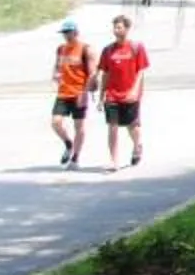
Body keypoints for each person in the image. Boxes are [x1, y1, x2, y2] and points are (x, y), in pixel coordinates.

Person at [91, 13, 154, 170]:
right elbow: (105, 73)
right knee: (112, 126)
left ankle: (138, 145)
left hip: (130, 94)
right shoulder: (108, 50)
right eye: (114, 27)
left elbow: (140, 71)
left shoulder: (136, 48)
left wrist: (134, 90)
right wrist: (101, 97)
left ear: (127, 29)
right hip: (112, 94)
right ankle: (114, 160)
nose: (116, 30)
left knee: (132, 126)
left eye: (119, 27)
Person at [48, 19, 92, 168]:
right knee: (56, 122)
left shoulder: (85, 49)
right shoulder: (61, 49)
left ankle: (76, 158)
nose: (66, 36)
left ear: (76, 32)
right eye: (64, 33)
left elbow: (92, 73)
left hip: (79, 92)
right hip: (63, 93)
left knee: (79, 126)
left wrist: (85, 92)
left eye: (68, 33)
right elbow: (56, 66)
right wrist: (55, 75)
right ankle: (68, 143)